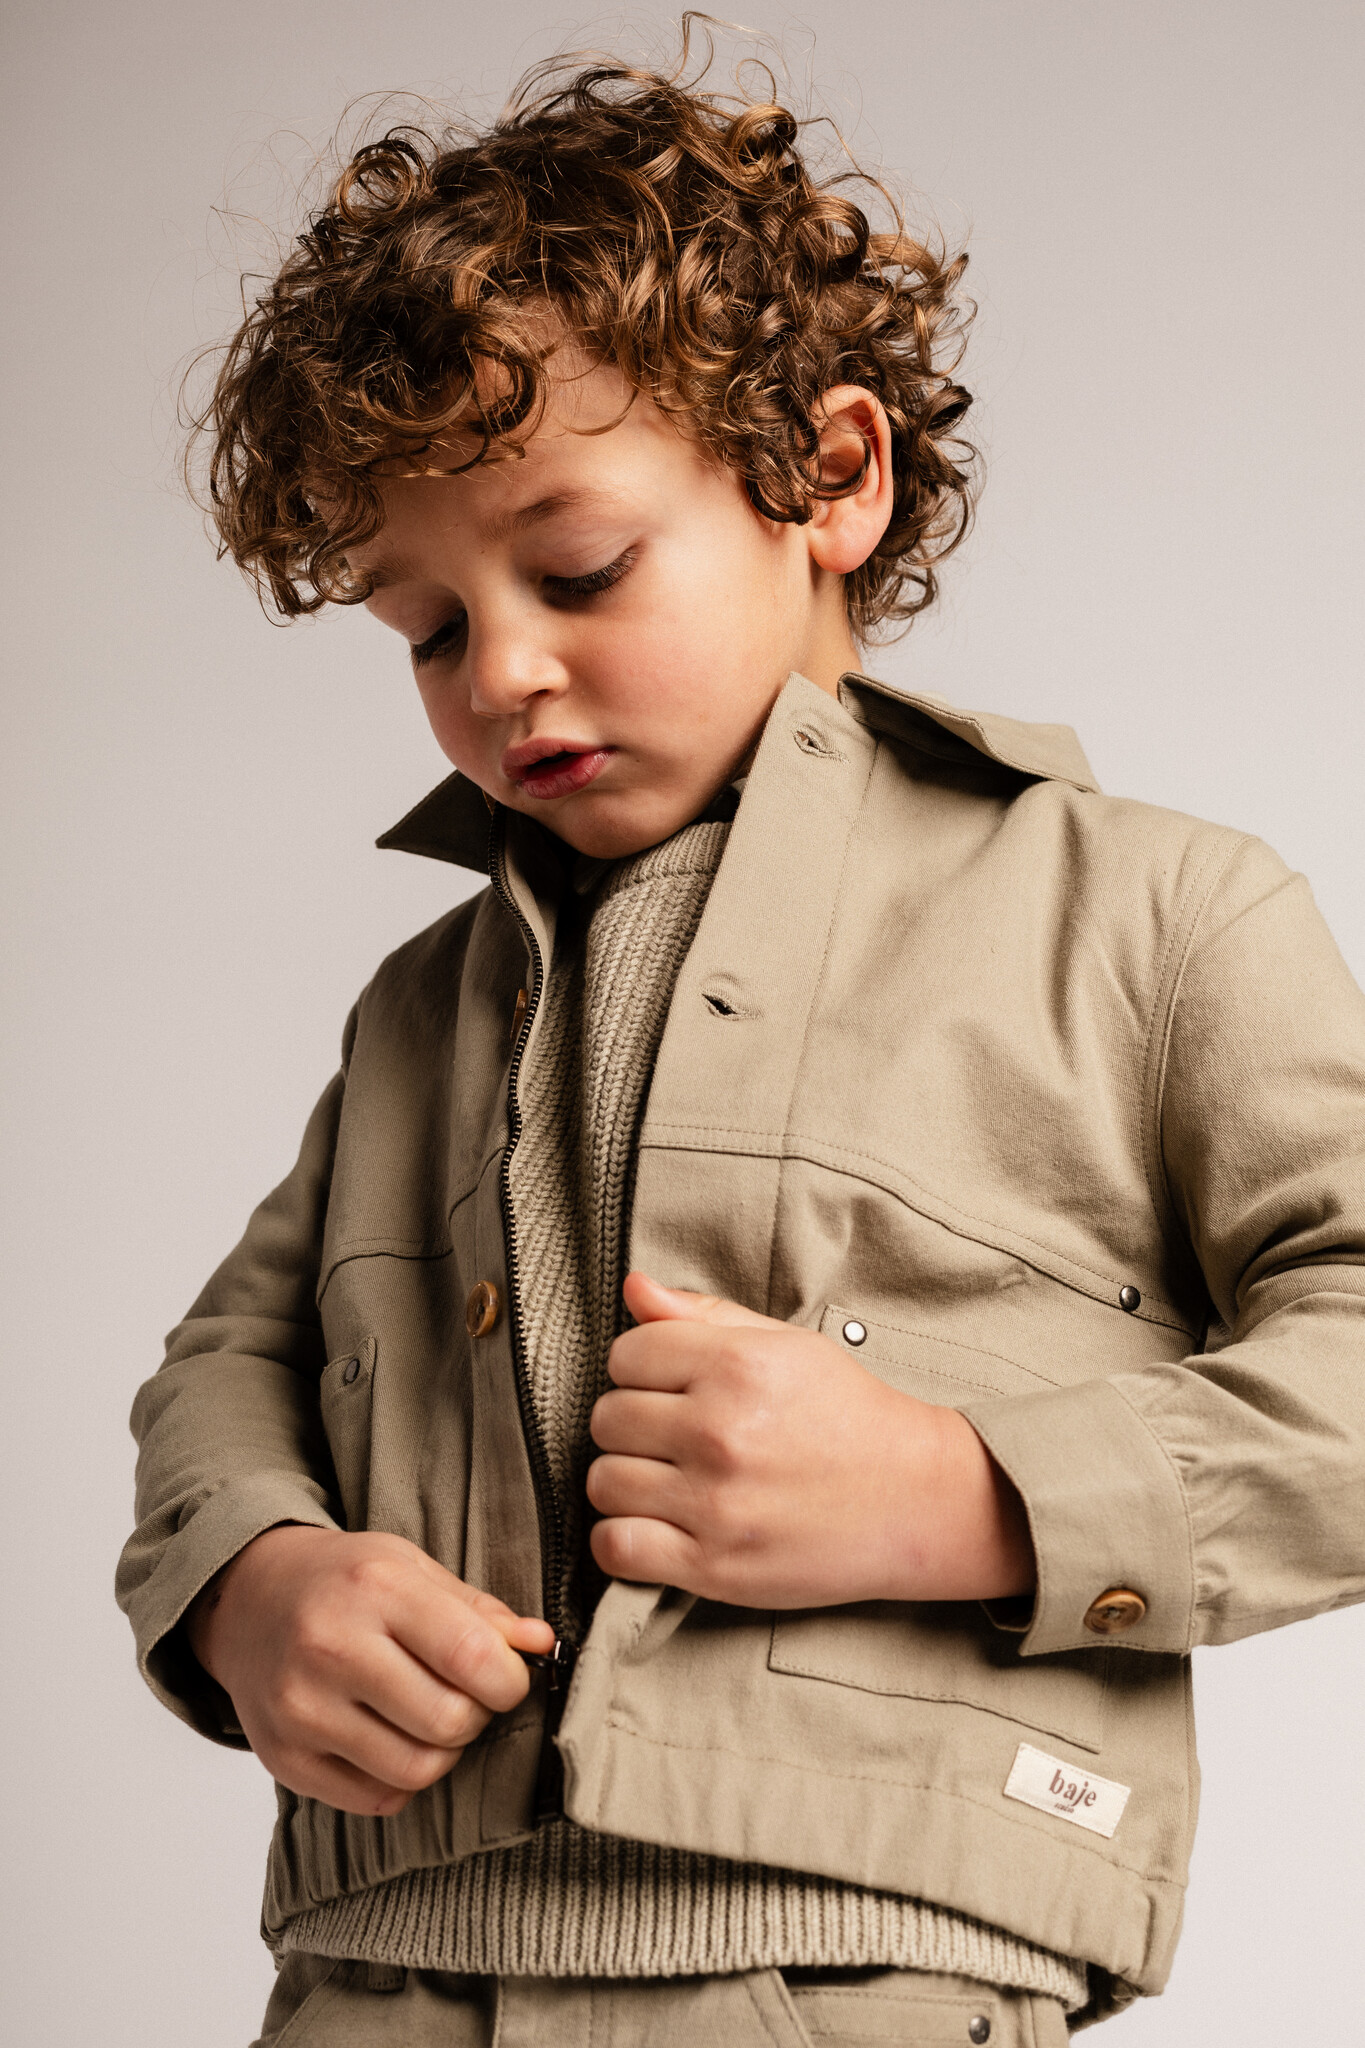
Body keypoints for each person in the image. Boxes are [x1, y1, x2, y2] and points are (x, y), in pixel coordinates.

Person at [116, 42, 1365, 2048]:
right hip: (371, 1979)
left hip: (868, 1975)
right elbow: (225, 1362)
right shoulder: (421, 1008)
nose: (499, 670)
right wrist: (250, 1580)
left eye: (575, 568)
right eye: (423, 626)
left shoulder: (1150, 916)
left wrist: (971, 1491)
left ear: (831, 477)